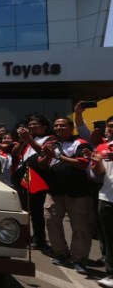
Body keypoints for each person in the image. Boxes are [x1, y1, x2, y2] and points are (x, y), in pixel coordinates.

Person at [39, 117, 93, 274]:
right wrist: (48, 154)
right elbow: (42, 164)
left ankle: (79, 259)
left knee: (80, 228)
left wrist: (57, 156)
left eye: (63, 125)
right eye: (56, 125)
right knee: (51, 221)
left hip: (78, 194)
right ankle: (61, 254)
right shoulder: (51, 144)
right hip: (54, 193)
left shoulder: (80, 143)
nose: (58, 128)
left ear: (71, 127)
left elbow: (82, 164)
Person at [13, 114, 53, 251]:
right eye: (29, 124)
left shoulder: (50, 139)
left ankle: (39, 239)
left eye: (34, 123)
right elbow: (15, 153)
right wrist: (22, 140)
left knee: (36, 210)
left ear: (44, 126)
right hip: (25, 175)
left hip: (38, 177)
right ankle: (24, 235)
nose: (31, 126)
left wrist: (29, 139)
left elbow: (43, 153)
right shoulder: (29, 140)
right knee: (23, 209)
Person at [89, 131, 113, 287]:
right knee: (109, 239)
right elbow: (99, 174)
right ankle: (111, 275)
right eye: (110, 126)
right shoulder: (103, 147)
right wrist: (97, 162)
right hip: (107, 198)